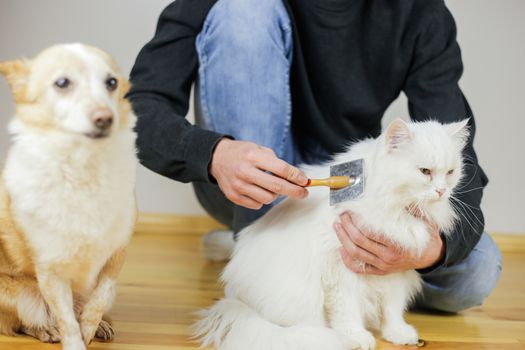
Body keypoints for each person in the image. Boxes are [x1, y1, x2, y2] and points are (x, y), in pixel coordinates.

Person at [128, 0, 501, 312]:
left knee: (475, 273)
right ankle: (256, 242)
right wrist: (214, 154)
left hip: (346, 183)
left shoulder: (419, 11)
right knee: (244, 8)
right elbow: (138, 109)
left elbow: (454, 148)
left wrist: (431, 250)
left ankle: (295, 254)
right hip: (244, 181)